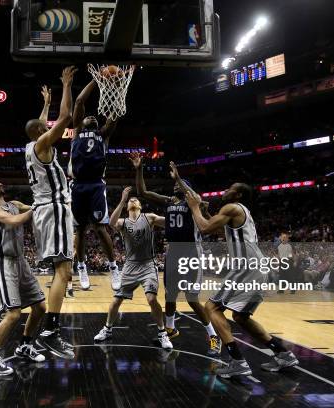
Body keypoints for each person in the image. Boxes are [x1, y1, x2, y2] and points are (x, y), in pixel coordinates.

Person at [185, 184, 299, 378]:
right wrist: (204, 212)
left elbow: (204, 228)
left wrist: (194, 207)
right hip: (258, 267)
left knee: (211, 308)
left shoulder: (232, 208)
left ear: (237, 194)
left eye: (230, 188)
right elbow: (219, 231)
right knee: (240, 317)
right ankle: (283, 354)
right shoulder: (238, 212)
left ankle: (238, 362)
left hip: (247, 267)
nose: (225, 189)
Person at [131, 152, 220, 356]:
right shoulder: (169, 201)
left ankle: (213, 336)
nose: (175, 186)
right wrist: (139, 169)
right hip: (173, 251)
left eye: (179, 185)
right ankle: (170, 329)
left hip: (191, 253)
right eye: (175, 184)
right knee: (170, 295)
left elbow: (195, 196)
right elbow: (143, 192)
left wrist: (179, 178)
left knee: (191, 298)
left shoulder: (192, 202)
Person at [24, 66, 77, 359]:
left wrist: (45, 103)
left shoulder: (30, 146)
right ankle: (51, 332)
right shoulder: (43, 144)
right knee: (64, 271)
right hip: (54, 210)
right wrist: (66, 86)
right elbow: (66, 118)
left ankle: (49, 331)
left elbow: (40, 123)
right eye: (45, 127)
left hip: (45, 212)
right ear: (41, 133)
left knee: (63, 272)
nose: (49, 127)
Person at [0, 178, 47, 376]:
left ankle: (25, 345)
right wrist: (35, 210)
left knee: (40, 307)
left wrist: (49, 201)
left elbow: (34, 208)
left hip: (21, 261)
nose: (1, 183)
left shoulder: (14, 205)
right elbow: (14, 220)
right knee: (13, 314)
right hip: (4, 262)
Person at [93, 187, 173, 350]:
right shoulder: (123, 222)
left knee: (151, 299)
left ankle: (162, 332)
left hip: (148, 265)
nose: (133, 200)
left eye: (135, 200)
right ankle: (107, 329)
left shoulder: (149, 217)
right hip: (130, 266)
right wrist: (122, 200)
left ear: (141, 206)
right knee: (116, 301)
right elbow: (111, 222)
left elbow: (169, 221)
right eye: (130, 200)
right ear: (127, 206)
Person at [68, 79, 121, 291]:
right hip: (78, 185)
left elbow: (114, 115)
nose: (90, 116)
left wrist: (114, 89)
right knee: (79, 230)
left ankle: (114, 267)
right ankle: (81, 266)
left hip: (96, 185)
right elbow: (80, 101)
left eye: (93, 116)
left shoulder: (104, 135)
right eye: (87, 116)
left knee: (100, 229)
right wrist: (97, 80)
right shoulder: (77, 131)